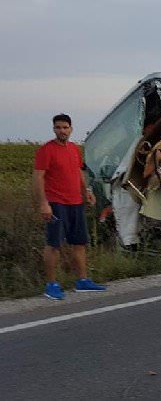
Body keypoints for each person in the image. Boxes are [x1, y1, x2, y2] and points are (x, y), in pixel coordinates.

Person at [33, 114, 107, 300]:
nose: (62, 131)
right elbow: (38, 177)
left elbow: (78, 172)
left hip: (76, 202)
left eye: (65, 127)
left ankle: (82, 281)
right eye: (58, 127)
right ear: (53, 129)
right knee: (54, 244)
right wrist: (44, 203)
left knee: (79, 243)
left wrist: (87, 191)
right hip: (56, 204)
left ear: (71, 129)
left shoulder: (74, 149)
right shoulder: (46, 150)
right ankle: (51, 285)